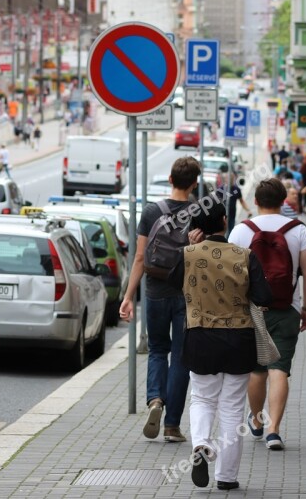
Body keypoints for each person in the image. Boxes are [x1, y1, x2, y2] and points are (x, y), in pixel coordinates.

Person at [169, 194, 272, 491]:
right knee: (231, 408)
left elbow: (173, 282)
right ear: (225, 221)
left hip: (199, 337)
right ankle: (226, 477)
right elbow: (265, 297)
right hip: (239, 341)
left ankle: (201, 443)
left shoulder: (188, 255)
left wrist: (188, 248)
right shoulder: (245, 255)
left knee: (202, 398)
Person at [228, 178, 306, 451]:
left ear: (255, 201)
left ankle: (256, 421)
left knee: (257, 371)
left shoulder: (241, 231)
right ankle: (274, 431)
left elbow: (232, 276)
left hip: (252, 310)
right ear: (283, 203)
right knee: (279, 370)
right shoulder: (298, 230)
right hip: (287, 308)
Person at [119, 157, 202, 443]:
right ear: (194, 183)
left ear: (169, 179)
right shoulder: (200, 213)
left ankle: (155, 399)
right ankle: (172, 426)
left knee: (157, 350)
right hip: (187, 294)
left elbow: (140, 257)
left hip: (154, 292)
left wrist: (129, 297)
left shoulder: (152, 211)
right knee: (181, 358)